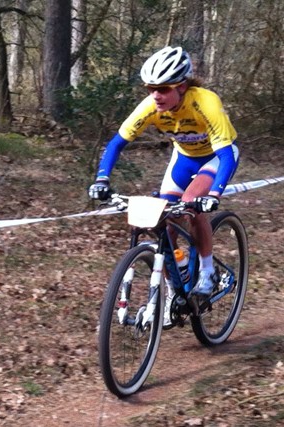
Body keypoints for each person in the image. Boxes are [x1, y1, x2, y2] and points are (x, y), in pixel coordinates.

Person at [88, 46, 239, 310]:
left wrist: (214, 194)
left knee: (192, 202)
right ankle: (176, 286)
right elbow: (116, 144)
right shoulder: (151, 107)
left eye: (163, 89)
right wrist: (102, 179)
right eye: (150, 88)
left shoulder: (205, 103)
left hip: (216, 157)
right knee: (164, 221)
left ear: (181, 86)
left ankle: (207, 272)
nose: (156, 95)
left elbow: (226, 154)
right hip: (183, 158)